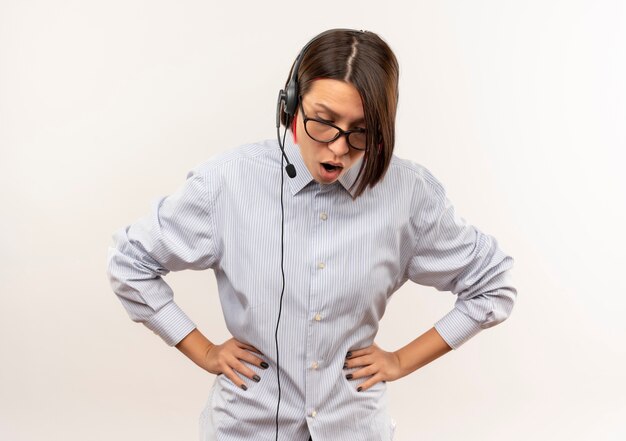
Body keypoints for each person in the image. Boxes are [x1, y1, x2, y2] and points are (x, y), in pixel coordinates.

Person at [107, 28, 516, 441]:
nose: (339, 148)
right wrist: (203, 350)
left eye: (361, 130)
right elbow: (130, 262)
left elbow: (493, 284)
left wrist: (399, 361)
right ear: (289, 108)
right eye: (324, 121)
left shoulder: (409, 194)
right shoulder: (228, 181)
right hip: (245, 427)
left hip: (354, 427)